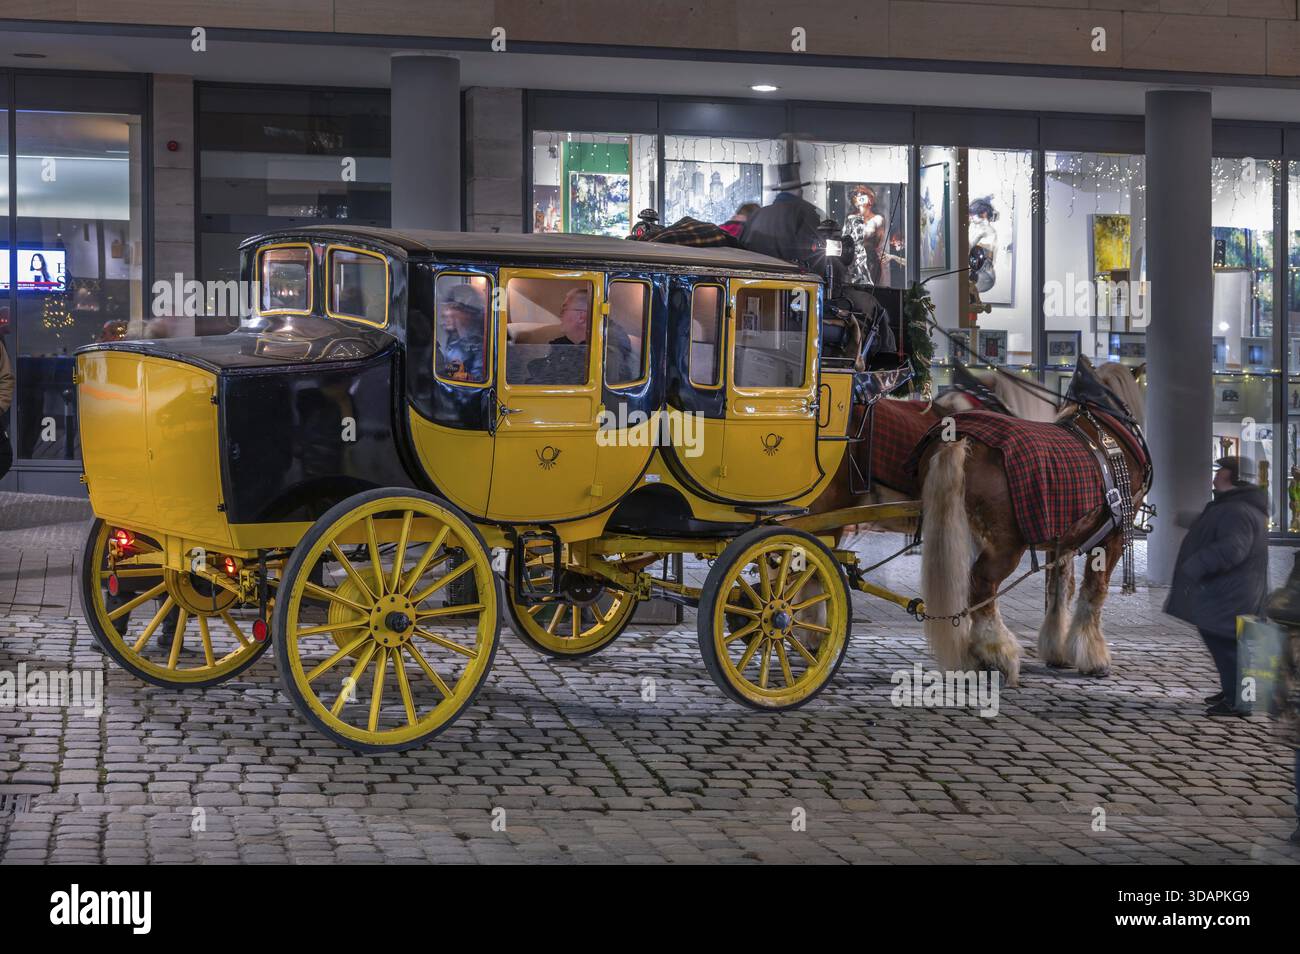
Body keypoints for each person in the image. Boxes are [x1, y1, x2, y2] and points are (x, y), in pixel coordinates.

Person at [1164, 456, 1270, 716]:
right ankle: (1234, 691)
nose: (1216, 475)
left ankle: (1239, 700)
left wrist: (1197, 564)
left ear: (1233, 477)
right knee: (1229, 644)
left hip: (1232, 595)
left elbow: (1233, 548)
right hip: (1234, 592)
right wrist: (1185, 519)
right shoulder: (1233, 506)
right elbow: (1213, 525)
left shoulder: (1238, 510)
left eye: (1221, 471)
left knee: (1226, 643)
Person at [526, 287, 634, 385]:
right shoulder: (571, 344)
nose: (560, 316)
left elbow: (563, 384)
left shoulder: (606, 353)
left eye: (563, 310)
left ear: (581, 317)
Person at [436, 283, 487, 383]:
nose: (444, 313)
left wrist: (464, 376)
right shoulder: (454, 341)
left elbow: (478, 384)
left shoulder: (481, 345)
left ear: (465, 311)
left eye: (450, 307)